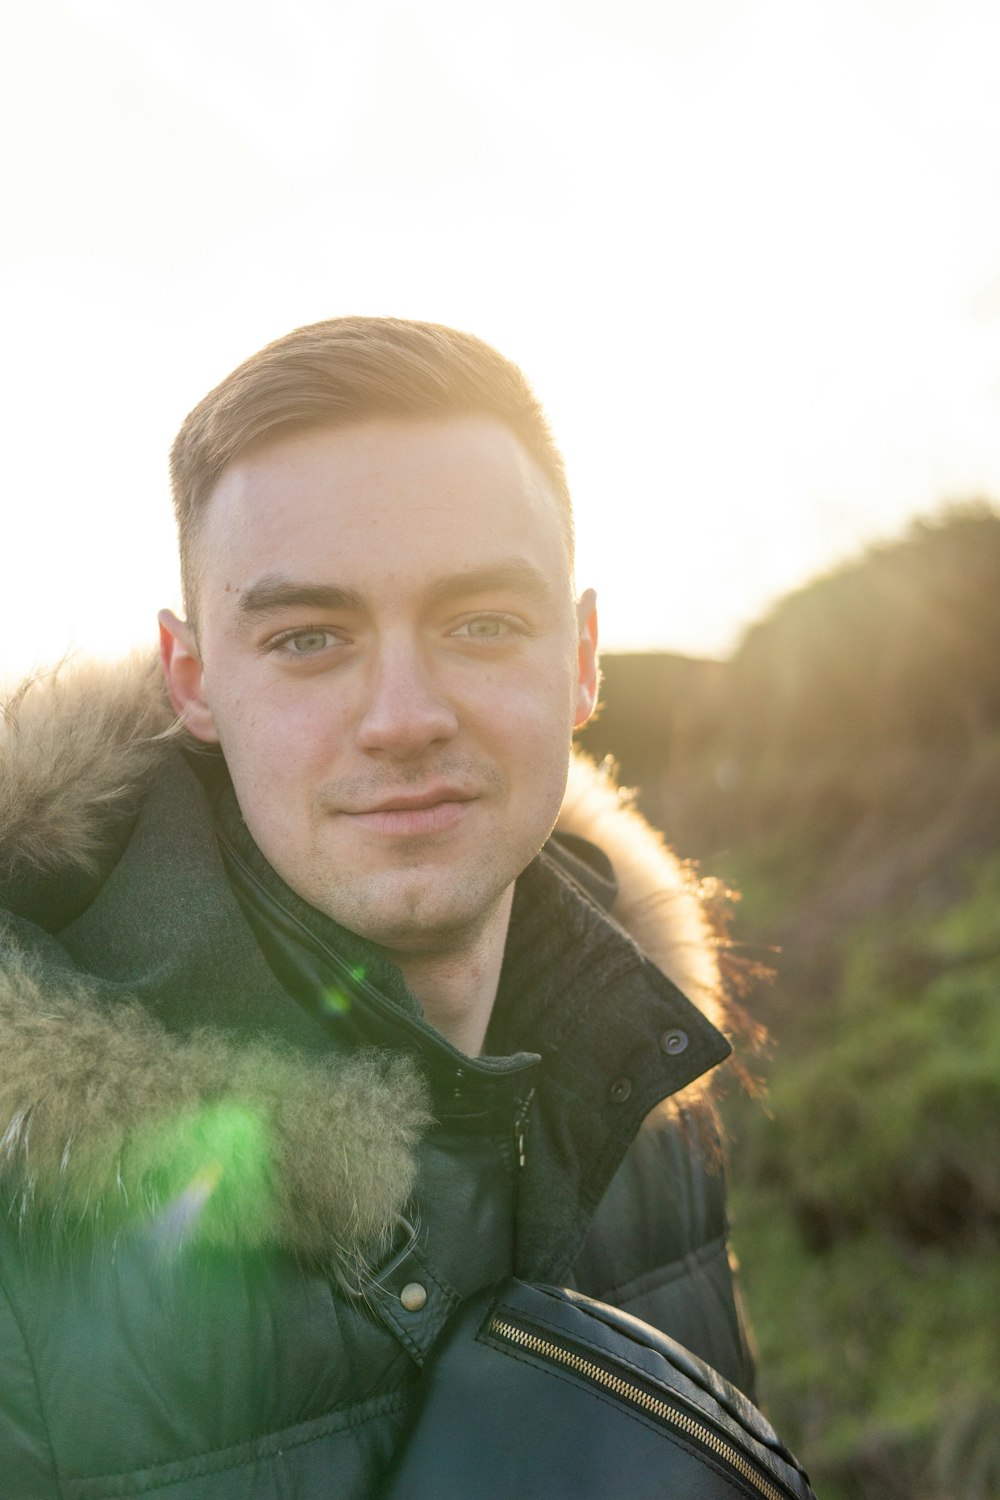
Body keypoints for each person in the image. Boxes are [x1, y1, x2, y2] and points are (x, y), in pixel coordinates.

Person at [0, 317, 754, 1497]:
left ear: (582, 657)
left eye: (481, 624)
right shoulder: (23, 1200)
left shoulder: (651, 1088)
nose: (403, 716)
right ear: (192, 681)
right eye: (309, 638)